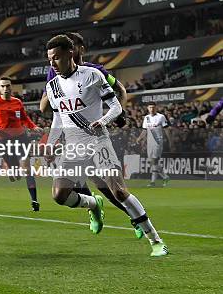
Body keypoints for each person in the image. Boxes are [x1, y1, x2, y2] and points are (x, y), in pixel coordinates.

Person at [44, 35, 168, 257]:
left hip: (98, 141)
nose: (52, 64)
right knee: (59, 195)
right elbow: (57, 119)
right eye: (50, 59)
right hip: (74, 147)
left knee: (119, 191)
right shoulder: (53, 86)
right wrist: (51, 143)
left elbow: (116, 107)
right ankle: (93, 204)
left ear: (70, 53)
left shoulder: (92, 75)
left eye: (56, 58)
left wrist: (102, 121)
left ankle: (156, 241)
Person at [0, 77, 42, 211]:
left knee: (27, 168)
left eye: (8, 86)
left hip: (21, 137)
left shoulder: (17, 102)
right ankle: (13, 170)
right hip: (4, 140)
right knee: (15, 172)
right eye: (3, 86)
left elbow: (24, 118)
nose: (6, 88)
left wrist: (33, 127)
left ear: (11, 87)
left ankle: (34, 200)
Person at [137, 103, 172, 187]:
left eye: (153, 107)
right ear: (147, 108)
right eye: (150, 107)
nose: (151, 109)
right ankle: (165, 177)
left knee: (154, 160)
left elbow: (166, 129)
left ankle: (153, 181)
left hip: (158, 142)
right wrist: (139, 138)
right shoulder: (146, 118)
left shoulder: (161, 117)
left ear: (156, 108)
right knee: (152, 162)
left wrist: (170, 141)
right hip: (150, 143)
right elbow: (145, 130)